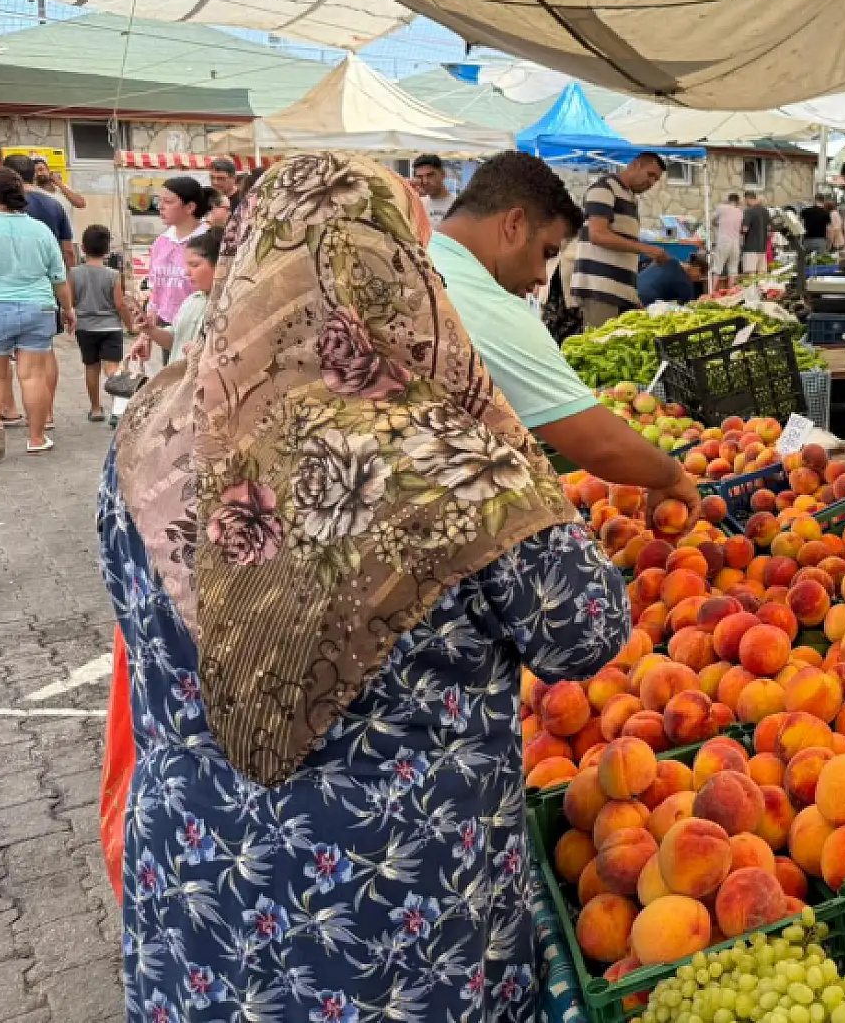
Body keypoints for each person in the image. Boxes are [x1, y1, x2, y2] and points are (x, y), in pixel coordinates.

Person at [101, 149, 629, 1023]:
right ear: (395, 271)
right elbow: (583, 630)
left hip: (195, 892)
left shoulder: (155, 428)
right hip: (397, 920)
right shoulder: (452, 461)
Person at [432, 151, 702, 520]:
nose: (544, 277)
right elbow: (602, 445)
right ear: (513, 225)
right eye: (547, 252)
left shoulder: (417, 255)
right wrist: (671, 475)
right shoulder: (487, 303)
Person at [0, 168, 75, 459]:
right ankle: (36, 438)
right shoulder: (40, 230)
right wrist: (69, 309)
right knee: (34, 375)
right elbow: (58, 277)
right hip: (37, 308)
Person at [569, 151, 669, 329]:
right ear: (636, 165)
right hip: (599, 289)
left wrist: (631, 294)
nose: (652, 183)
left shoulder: (630, 198)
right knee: (599, 348)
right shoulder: (604, 188)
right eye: (650, 175)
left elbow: (623, 250)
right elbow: (597, 234)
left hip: (619, 293)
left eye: (656, 179)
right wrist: (645, 249)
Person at [71, 225, 136, 423]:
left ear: (82, 248)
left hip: (85, 326)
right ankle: (117, 410)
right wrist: (130, 325)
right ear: (108, 249)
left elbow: (72, 301)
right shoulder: (112, 275)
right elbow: (120, 304)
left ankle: (96, 409)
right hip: (110, 327)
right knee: (113, 368)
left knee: (91, 367)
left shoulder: (74, 273)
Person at [134, 228, 219, 364]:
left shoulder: (227, 306)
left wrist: (205, 353)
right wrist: (149, 329)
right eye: (187, 265)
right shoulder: (191, 300)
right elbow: (174, 341)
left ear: (219, 266)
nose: (186, 272)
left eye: (194, 265)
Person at [144, 176, 209, 350]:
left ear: (190, 207)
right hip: (167, 327)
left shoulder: (208, 240)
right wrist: (146, 335)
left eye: (168, 201)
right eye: (159, 201)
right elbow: (156, 290)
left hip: (199, 326)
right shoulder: (161, 242)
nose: (160, 207)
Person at [2, 153, 74, 267]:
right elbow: (68, 250)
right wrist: (69, 279)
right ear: (33, 174)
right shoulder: (54, 205)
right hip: (46, 274)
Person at [638, 249, 708, 306]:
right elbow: (689, 306)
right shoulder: (685, 282)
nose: (698, 279)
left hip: (633, 290)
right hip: (645, 303)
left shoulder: (669, 260)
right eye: (700, 276)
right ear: (697, 269)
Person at [411, 151, 456, 226]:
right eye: (420, 177)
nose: (425, 181)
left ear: (443, 174)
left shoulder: (457, 206)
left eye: (430, 175)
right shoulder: (417, 204)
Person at [712, 190, 743, 286]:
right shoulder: (740, 212)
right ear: (737, 202)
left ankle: (712, 291)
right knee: (733, 270)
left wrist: (717, 224)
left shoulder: (721, 208)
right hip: (735, 243)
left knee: (717, 267)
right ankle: (730, 292)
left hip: (724, 241)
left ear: (728, 200)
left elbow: (713, 220)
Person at [740, 189, 770, 275]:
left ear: (747, 199)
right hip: (762, 247)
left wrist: (739, 230)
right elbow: (769, 228)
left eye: (745, 200)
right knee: (761, 275)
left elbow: (745, 229)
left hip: (750, 247)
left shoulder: (748, 211)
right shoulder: (765, 211)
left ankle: (752, 289)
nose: (745, 202)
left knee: (751, 274)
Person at [799, 193, 834, 261]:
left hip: (807, 241)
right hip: (820, 241)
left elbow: (800, 225)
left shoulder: (805, 211)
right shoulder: (826, 213)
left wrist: (801, 240)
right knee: (821, 262)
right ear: (823, 201)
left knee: (807, 262)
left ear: (815, 200)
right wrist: (830, 243)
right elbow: (829, 230)